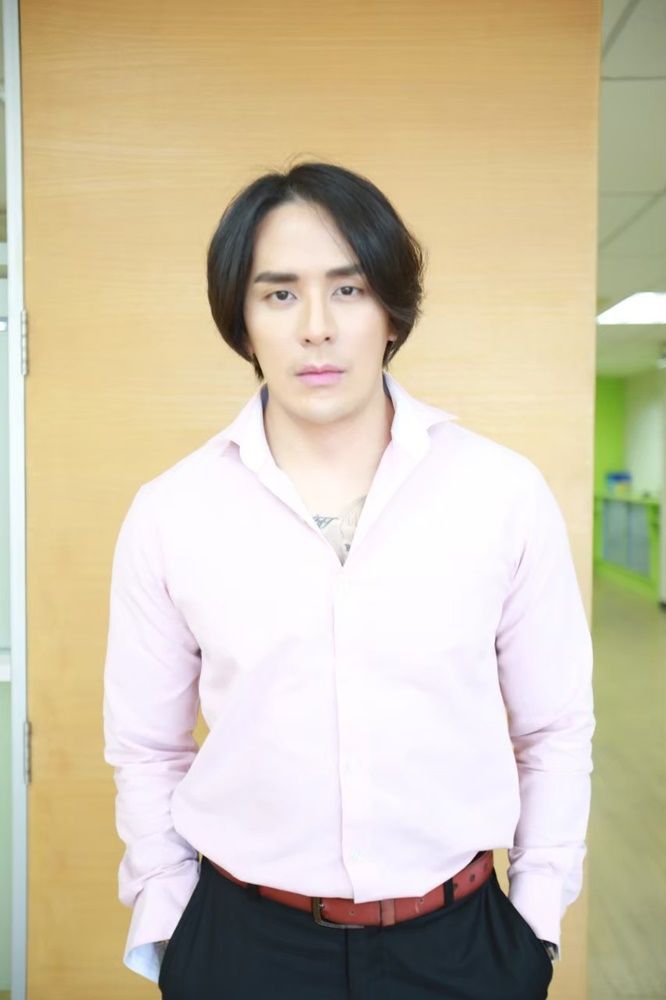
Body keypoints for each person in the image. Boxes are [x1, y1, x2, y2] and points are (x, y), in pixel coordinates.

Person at [103, 161, 594, 1000]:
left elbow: (553, 728)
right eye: (280, 294)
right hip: (243, 944)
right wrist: (171, 923)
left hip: (461, 944)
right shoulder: (171, 513)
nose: (317, 328)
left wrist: (537, 921)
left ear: (391, 313)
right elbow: (148, 748)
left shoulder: (501, 493)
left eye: (349, 289)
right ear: (242, 321)